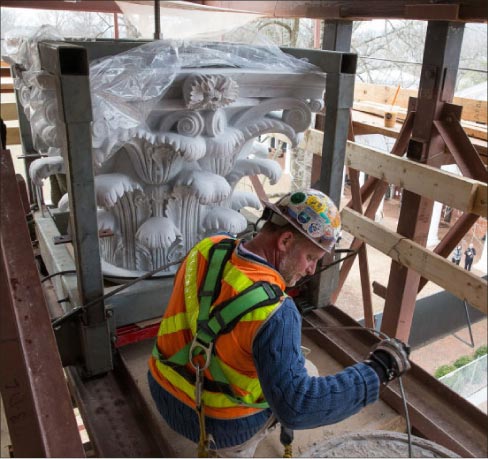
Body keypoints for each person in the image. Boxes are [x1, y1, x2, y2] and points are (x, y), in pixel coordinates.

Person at [148, 188, 410, 457]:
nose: (311, 270)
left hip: (162, 387)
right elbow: (299, 407)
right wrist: (377, 371)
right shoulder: (276, 312)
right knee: (307, 373)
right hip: (218, 424)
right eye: (311, 258)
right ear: (285, 240)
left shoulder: (210, 246)